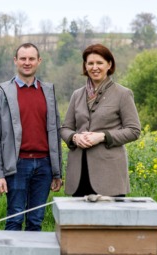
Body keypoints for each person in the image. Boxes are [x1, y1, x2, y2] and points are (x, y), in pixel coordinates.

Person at [0, 43, 62, 231]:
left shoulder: (48, 92)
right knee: (15, 218)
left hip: (44, 166)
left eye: (31, 59)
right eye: (23, 59)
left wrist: (57, 171)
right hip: (17, 165)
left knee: (36, 220)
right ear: (16, 61)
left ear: (39, 61)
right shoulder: (3, 93)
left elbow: (55, 132)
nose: (27, 63)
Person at [60, 43, 141, 198]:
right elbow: (65, 128)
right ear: (85, 66)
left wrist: (103, 136)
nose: (94, 67)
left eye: (99, 63)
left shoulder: (123, 94)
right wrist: (74, 137)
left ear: (109, 65)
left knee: (109, 222)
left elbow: (134, 130)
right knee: (79, 222)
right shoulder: (77, 95)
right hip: (79, 174)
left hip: (110, 176)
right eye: (90, 63)